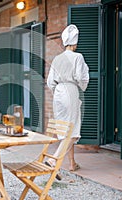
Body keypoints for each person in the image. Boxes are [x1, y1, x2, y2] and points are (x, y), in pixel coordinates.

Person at [46, 24, 89, 180]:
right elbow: (82, 77)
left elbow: (50, 81)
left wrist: (58, 91)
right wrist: (80, 87)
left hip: (58, 92)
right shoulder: (78, 57)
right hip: (70, 91)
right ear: (75, 43)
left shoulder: (57, 58)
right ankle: (53, 159)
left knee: (65, 128)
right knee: (73, 131)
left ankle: (72, 163)